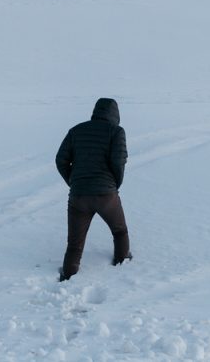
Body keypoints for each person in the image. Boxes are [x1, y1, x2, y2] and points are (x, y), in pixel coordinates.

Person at [55, 97, 132, 281]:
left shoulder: (76, 131)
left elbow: (61, 160)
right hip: (106, 195)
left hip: (79, 196)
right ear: (116, 115)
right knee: (119, 231)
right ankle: (122, 261)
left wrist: (74, 182)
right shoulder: (116, 131)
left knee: (74, 243)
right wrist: (114, 183)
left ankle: (68, 276)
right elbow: (118, 161)